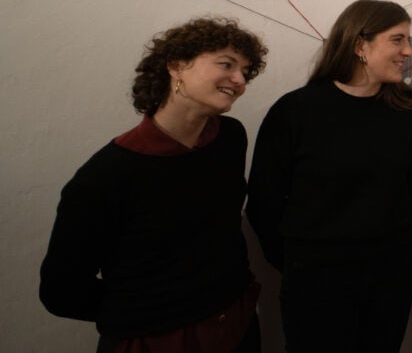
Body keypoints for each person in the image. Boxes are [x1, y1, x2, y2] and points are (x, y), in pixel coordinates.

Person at [39, 17, 268, 353]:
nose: (239, 80)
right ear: (176, 67)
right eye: (227, 64)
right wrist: (149, 314)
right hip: (158, 340)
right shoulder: (108, 174)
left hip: (236, 326)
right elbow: (62, 292)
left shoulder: (230, 138)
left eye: (245, 72)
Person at [246, 0, 412, 352]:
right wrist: (301, 264)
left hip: (390, 277)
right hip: (317, 281)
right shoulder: (295, 112)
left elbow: (407, 186)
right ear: (360, 44)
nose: (408, 51)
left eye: (408, 40)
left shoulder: (409, 109)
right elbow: (263, 203)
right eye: (397, 39)